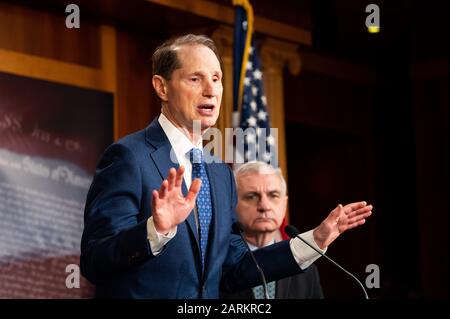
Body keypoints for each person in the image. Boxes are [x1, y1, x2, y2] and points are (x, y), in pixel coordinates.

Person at [80, 34, 373, 298]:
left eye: (217, 78)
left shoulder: (219, 174)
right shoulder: (129, 157)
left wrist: (313, 241)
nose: (211, 90)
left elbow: (236, 267)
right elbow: (94, 261)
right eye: (195, 79)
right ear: (162, 87)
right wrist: (155, 230)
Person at [221, 161, 324, 299]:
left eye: (273, 195)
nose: (264, 206)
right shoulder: (217, 267)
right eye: (251, 196)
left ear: (284, 204)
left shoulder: (306, 270)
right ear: (230, 203)